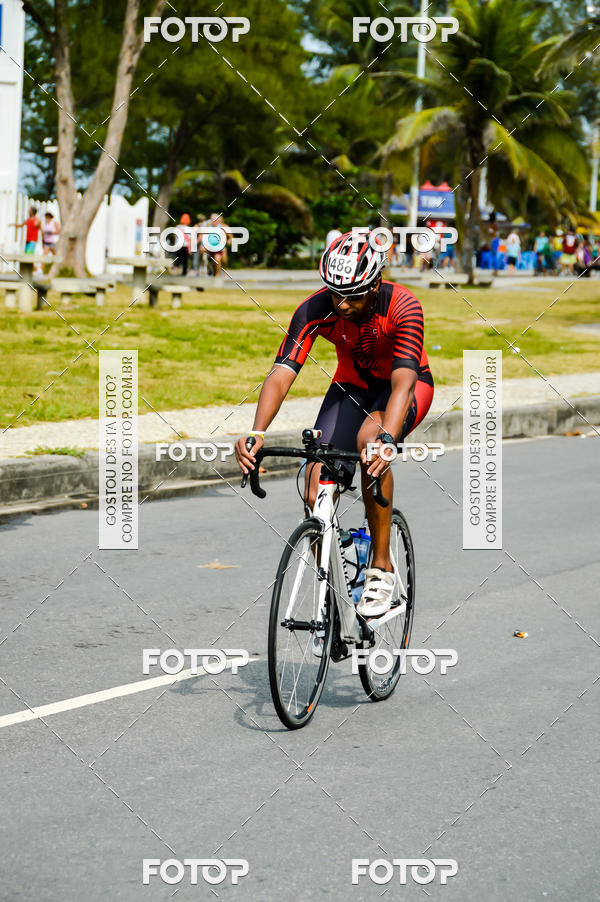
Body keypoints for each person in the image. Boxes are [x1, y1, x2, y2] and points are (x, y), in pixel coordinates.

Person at [235, 230, 434, 625]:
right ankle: (334, 573)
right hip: (351, 387)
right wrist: (256, 432)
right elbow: (281, 372)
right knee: (313, 476)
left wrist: (388, 440)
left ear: (375, 284)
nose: (342, 304)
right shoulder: (315, 308)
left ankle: (381, 569)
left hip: (404, 389)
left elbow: (403, 383)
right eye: (335, 293)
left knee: (369, 443)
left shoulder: (404, 306)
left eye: (354, 295)